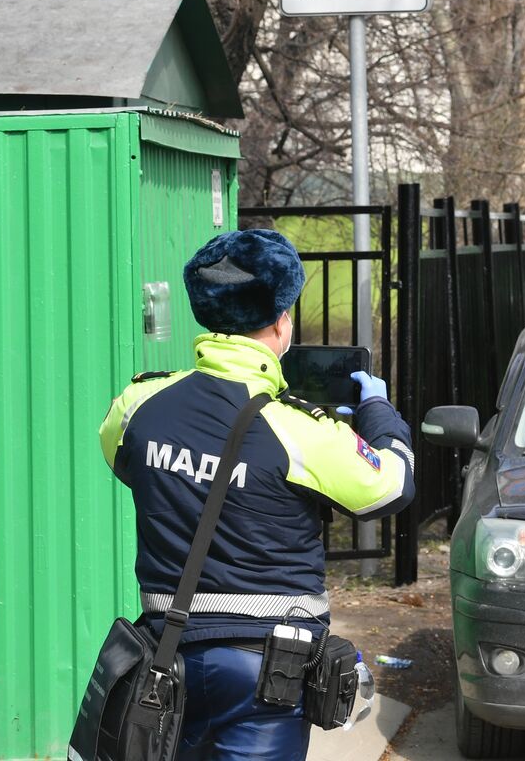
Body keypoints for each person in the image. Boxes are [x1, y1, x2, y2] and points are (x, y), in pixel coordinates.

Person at [98, 229, 416, 760]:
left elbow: (127, 462)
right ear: (281, 319)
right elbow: (390, 486)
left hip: (163, 657)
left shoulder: (139, 403)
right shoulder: (302, 431)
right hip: (267, 672)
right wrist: (377, 414)